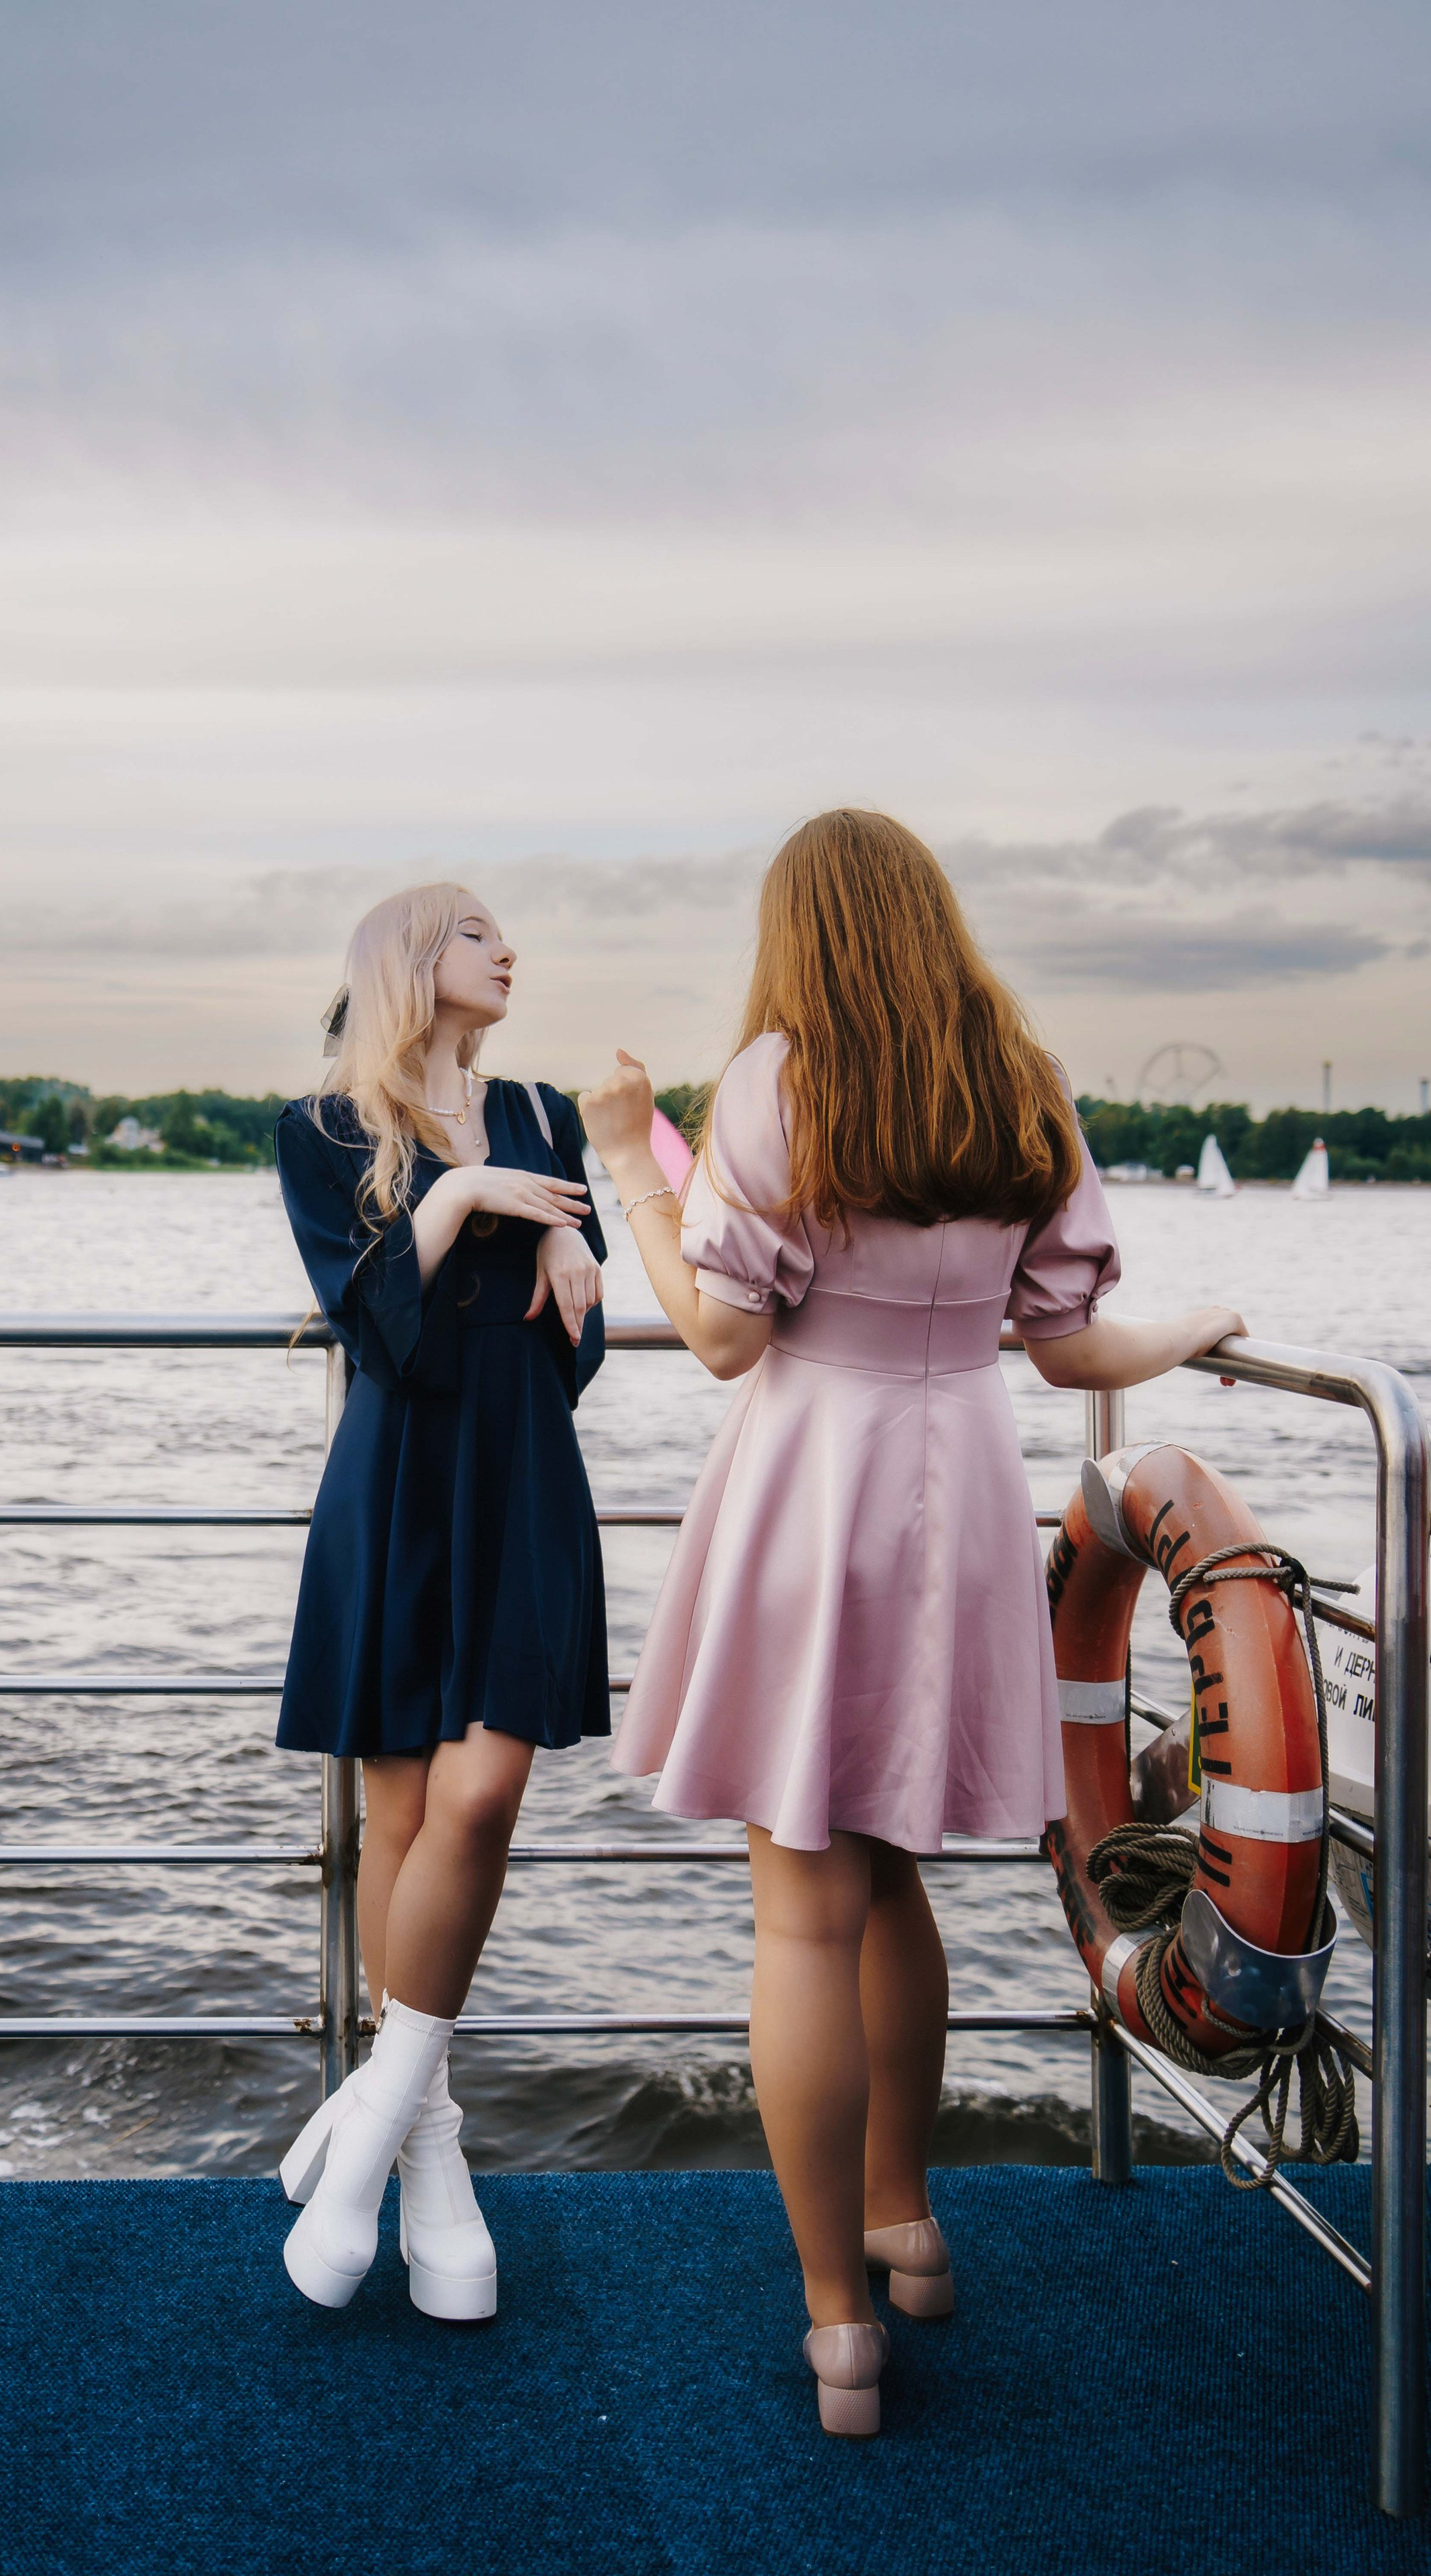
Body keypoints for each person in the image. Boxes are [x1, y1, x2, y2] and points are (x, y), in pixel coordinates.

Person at [580, 808, 1244, 2440]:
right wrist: (1194, 1328)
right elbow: (1069, 1350)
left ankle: (838, 2324)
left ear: (799, 930)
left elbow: (721, 1338)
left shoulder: (777, 1080)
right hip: (959, 1501)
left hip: (815, 1493)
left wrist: (628, 1163)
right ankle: (909, 2226)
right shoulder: (1014, 1079)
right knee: (890, 1882)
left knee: (804, 1914)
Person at [272, 882, 608, 2322]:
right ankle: (430, 2147)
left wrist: (572, 1247)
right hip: (398, 1482)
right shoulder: (323, 1129)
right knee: (400, 1815)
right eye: (474, 931)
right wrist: (463, 1199)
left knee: (480, 1800)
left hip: (519, 1476)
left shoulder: (542, 1113)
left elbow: (571, 1341)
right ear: (411, 962)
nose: (505, 947)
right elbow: (377, 1328)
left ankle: (367, 2136)